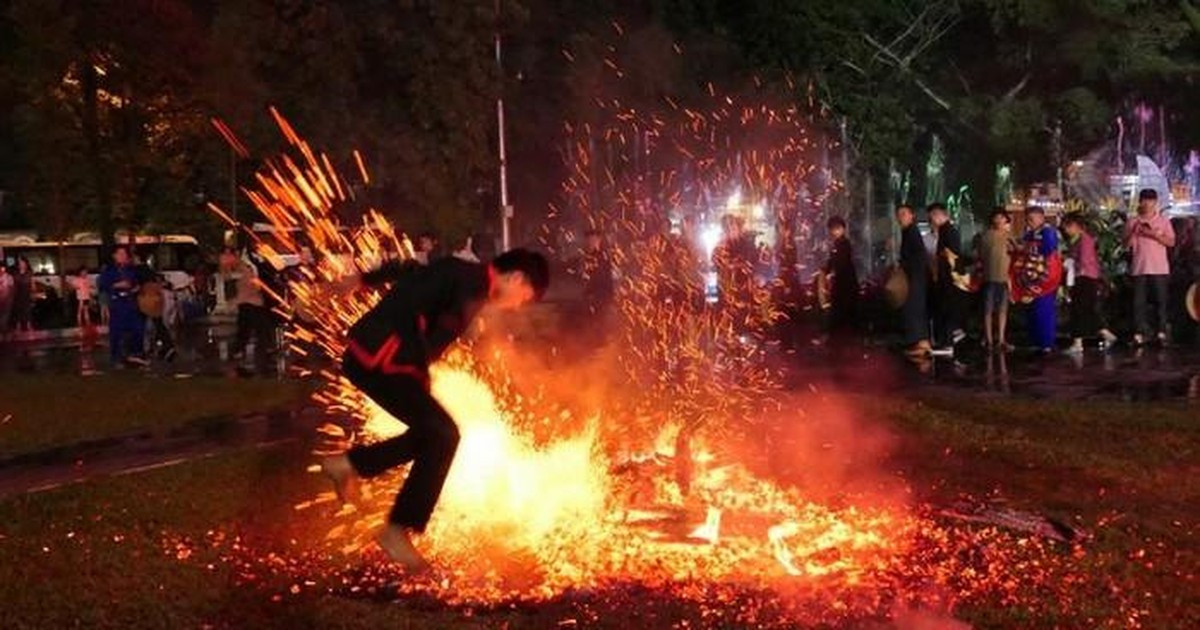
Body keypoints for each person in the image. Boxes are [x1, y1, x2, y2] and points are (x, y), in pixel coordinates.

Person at [319, 248, 549, 570]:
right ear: (516, 277)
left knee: (436, 435)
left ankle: (349, 465)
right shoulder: (469, 280)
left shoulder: (468, 279)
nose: (517, 306)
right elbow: (424, 305)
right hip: (382, 359)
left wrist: (365, 280)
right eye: (523, 297)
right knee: (442, 435)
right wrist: (420, 370)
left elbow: (411, 268)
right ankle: (396, 528)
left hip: (378, 359)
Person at [1124, 188, 1176, 346]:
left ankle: (1161, 333)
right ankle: (1140, 334)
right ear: (1140, 202)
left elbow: (1171, 242)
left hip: (1159, 268)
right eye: (1144, 200)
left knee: (1161, 301)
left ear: (1155, 203)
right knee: (1138, 303)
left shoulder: (1163, 221)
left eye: (1151, 201)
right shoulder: (1133, 221)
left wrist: (1154, 234)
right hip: (1139, 268)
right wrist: (1134, 232)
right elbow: (1126, 246)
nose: (1147, 204)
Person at [1062, 214, 1117, 354]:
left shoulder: (1084, 240)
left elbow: (1085, 260)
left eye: (1068, 226)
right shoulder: (1078, 240)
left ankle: (1079, 342)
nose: (1066, 229)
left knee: (1080, 309)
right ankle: (1104, 335)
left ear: (1076, 226)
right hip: (1083, 277)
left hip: (1084, 277)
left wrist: (1071, 264)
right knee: (1085, 310)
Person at [97, 247, 148, 366]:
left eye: (124, 254)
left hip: (130, 302)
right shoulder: (109, 270)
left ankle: (135, 353)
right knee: (117, 331)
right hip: (117, 303)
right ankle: (116, 357)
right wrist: (116, 285)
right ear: (114, 256)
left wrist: (136, 288)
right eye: (120, 254)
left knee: (137, 328)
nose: (123, 256)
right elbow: (102, 285)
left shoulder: (131, 270)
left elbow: (137, 283)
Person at [1021, 206, 1061, 354]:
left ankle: (1046, 342)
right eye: (1028, 219)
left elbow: (1048, 250)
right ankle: (1035, 340)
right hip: (1032, 276)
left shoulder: (1048, 232)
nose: (1029, 222)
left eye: (1032, 219)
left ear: (1041, 218)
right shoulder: (1031, 233)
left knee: (1043, 309)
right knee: (1032, 309)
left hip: (1045, 277)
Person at [928, 203, 967, 350]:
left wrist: (943, 257)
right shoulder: (947, 230)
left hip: (949, 277)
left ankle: (949, 342)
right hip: (948, 276)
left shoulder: (948, 231)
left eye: (932, 217)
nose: (932, 221)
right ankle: (948, 339)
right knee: (945, 309)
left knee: (947, 309)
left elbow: (953, 254)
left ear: (939, 215)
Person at [897, 204, 932, 357]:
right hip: (914, 276)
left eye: (904, 214)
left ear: (912, 216)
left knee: (914, 309)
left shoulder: (911, 231)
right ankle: (920, 342)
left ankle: (921, 343)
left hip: (915, 277)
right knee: (914, 309)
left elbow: (918, 255)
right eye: (899, 214)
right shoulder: (907, 232)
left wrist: (905, 267)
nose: (901, 217)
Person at [979, 208, 1015, 351]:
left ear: (1006, 220)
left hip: (1005, 279)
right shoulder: (986, 236)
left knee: (1002, 310)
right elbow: (980, 255)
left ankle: (1001, 339)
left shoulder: (1009, 236)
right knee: (988, 310)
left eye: (1002, 218)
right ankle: (988, 340)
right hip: (989, 277)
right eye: (997, 217)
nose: (999, 220)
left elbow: (1017, 252)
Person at [821, 216, 859, 342]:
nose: (834, 232)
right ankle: (838, 337)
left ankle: (841, 337)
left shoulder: (844, 244)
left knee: (843, 307)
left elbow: (840, 262)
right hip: (841, 281)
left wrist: (831, 272)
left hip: (846, 281)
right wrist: (826, 270)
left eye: (837, 229)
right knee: (838, 307)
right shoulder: (837, 244)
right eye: (832, 229)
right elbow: (832, 261)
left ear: (843, 229)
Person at [11, 257, 34, 334]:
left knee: (27, 312)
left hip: (26, 295)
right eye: (20, 263)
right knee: (18, 312)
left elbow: (32, 284)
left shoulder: (29, 273)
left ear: (26, 264)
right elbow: (12, 285)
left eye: (23, 263)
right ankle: (18, 328)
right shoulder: (15, 274)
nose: (21, 265)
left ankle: (29, 327)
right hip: (17, 295)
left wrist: (33, 293)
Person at [0, 263, 13, 337]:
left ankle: (3, 332)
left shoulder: (8, 277)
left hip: (6, 300)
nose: (1, 270)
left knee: (5, 316)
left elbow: (12, 289)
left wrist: (10, 299)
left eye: (2, 268)